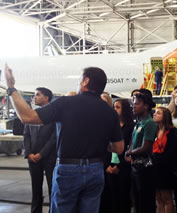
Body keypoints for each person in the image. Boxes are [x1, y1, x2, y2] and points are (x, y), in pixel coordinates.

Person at [4, 65, 124, 213]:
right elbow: (118, 148)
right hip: (95, 169)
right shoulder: (109, 111)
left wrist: (11, 88)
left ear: (86, 81)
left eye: (80, 79)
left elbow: (27, 116)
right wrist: (101, 142)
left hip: (68, 168)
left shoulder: (66, 103)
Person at [23, 87, 56, 213]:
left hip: (49, 157)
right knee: (36, 189)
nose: (34, 97)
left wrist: (41, 154)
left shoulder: (54, 114)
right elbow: (26, 135)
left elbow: (54, 137)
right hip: (33, 158)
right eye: (34, 95)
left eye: (37, 95)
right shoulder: (31, 114)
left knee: (52, 188)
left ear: (47, 98)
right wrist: (29, 153)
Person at [125, 91, 158, 213]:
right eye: (133, 104)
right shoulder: (139, 122)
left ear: (146, 106)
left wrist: (130, 153)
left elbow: (146, 147)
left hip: (145, 168)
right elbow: (132, 141)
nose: (134, 106)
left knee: (145, 202)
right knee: (137, 201)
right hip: (135, 166)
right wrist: (128, 152)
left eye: (137, 104)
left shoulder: (149, 123)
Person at [152, 107, 177, 213]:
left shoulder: (172, 131)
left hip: (166, 168)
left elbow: (171, 151)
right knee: (158, 198)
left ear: (165, 117)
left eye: (158, 113)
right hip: (155, 167)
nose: (155, 114)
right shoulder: (155, 130)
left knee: (167, 198)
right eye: (154, 113)